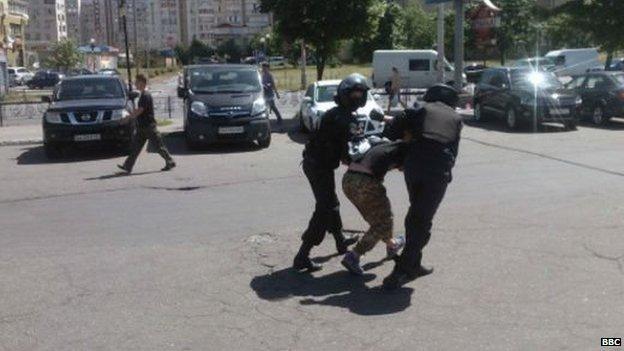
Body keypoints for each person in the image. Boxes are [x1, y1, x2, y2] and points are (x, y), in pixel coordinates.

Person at [381, 84, 463, 290]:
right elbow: (454, 151)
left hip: (414, 167)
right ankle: (401, 271)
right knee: (421, 220)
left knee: (415, 216)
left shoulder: (421, 108)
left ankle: (413, 264)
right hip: (437, 172)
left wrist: (402, 134)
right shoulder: (455, 118)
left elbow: (392, 130)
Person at [294, 73, 375, 272]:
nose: (357, 97)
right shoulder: (343, 118)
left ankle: (340, 242)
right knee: (324, 208)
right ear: (346, 95)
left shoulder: (338, 113)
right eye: (354, 94)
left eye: (360, 93)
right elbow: (349, 153)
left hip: (318, 163)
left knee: (332, 203)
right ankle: (302, 256)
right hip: (318, 166)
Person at [340, 136, 410, 276]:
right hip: (366, 182)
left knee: (380, 217)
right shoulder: (407, 150)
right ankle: (354, 255)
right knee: (382, 222)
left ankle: (391, 244)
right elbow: (404, 169)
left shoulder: (387, 144)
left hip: (348, 180)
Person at [118, 74, 176, 174]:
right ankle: (127, 166)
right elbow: (139, 110)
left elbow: (140, 110)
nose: (135, 83)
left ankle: (170, 161)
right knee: (135, 148)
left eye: (137, 82)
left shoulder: (146, 95)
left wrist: (128, 118)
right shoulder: (142, 95)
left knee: (159, 147)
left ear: (142, 83)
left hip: (149, 127)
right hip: (142, 127)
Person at [261, 62, 283, 127]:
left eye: (264, 67)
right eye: (263, 67)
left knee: (272, 107)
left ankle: (279, 118)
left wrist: (277, 93)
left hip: (269, 93)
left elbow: (273, 84)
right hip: (264, 93)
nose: (263, 69)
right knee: (264, 107)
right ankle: (265, 120)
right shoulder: (262, 75)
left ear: (267, 68)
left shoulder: (270, 75)